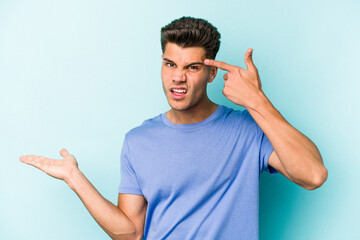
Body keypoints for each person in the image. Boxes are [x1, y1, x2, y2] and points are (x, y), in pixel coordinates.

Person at [20, 16, 328, 240]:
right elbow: (131, 232)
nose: (177, 78)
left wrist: (258, 101)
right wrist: (75, 179)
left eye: (191, 67)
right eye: (170, 64)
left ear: (210, 73)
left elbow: (313, 175)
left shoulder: (247, 129)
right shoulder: (138, 141)